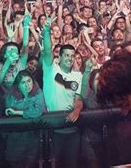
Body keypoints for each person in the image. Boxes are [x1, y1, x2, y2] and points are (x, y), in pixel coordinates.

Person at [42, 16, 84, 168]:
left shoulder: (78, 75)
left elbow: (78, 98)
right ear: (59, 57)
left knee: (73, 164)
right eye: (66, 55)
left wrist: (77, 110)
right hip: (53, 128)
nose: (70, 58)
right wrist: (47, 30)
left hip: (71, 127)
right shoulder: (50, 68)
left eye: (72, 56)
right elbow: (47, 50)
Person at [4, 70, 46, 168]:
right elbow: (9, 106)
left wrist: (17, 112)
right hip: (15, 138)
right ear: (18, 85)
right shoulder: (11, 96)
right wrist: (29, 106)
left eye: (29, 81)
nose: (27, 85)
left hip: (32, 137)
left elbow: (38, 111)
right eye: (23, 82)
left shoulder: (38, 91)